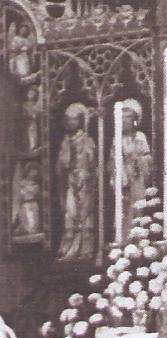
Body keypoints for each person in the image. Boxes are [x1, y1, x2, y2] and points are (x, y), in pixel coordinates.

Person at [56, 102, 96, 261]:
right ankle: (69, 246)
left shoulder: (87, 140)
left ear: (81, 121)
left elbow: (92, 162)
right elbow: (62, 164)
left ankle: (86, 249)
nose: (70, 123)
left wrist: (85, 173)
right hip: (71, 181)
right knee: (70, 212)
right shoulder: (66, 141)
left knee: (85, 213)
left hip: (84, 182)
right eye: (68, 119)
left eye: (74, 119)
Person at [109, 98, 152, 240]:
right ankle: (124, 239)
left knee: (138, 207)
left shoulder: (140, 137)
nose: (125, 122)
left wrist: (139, 161)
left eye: (128, 118)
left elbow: (147, 157)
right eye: (122, 119)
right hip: (123, 178)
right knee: (124, 209)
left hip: (138, 178)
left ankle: (139, 237)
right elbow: (114, 160)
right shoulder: (118, 139)